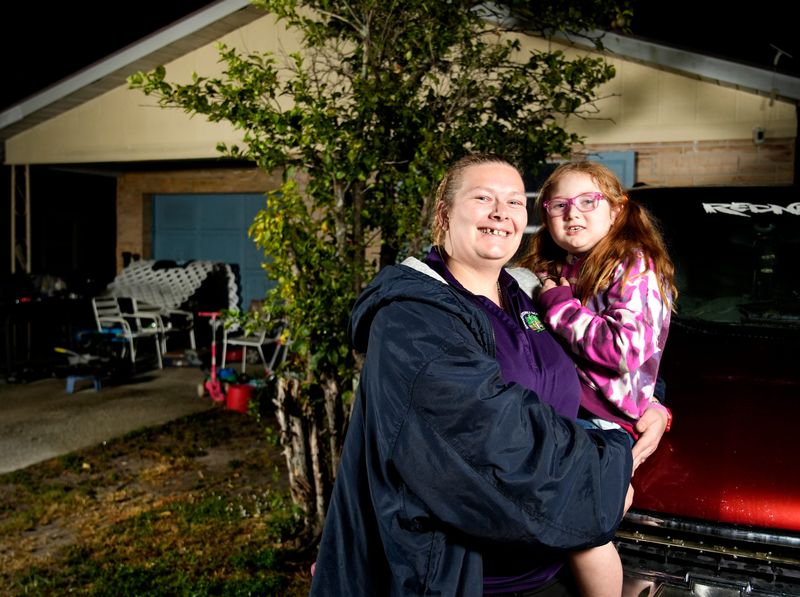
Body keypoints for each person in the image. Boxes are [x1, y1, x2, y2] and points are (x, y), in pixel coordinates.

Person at [310, 153, 641, 597]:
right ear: (444, 215)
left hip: (553, 569)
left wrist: (649, 401)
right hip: (465, 579)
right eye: (483, 198)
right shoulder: (412, 318)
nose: (501, 213)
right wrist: (611, 462)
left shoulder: (526, 293)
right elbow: (495, 440)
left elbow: (588, 362)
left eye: (514, 202)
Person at [516, 161, 676, 597]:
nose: (574, 213)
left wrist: (558, 305)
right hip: (561, 412)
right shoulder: (556, 267)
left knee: (586, 530)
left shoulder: (633, 266)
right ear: (544, 215)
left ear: (617, 210)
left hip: (600, 421)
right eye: (559, 205)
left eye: (589, 201)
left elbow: (625, 351)